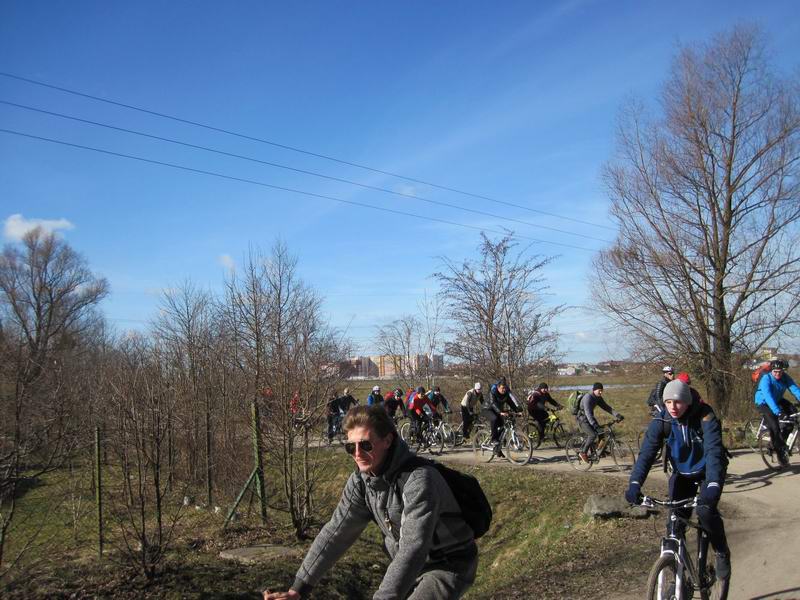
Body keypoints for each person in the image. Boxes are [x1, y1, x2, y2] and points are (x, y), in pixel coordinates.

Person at [263, 405, 477, 600]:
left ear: (387, 440)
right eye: (350, 447)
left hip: (448, 565)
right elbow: (335, 533)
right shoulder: (361, 482)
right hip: (409, 565)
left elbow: (413, 548)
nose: (357, 454)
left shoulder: (419, 479)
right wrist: (298, 589)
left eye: (365, 445)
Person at [625, 379, 731, 597]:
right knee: (674, 525)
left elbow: (714, 453)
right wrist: (635, 484)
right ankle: (678, 576)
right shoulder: (663, 419)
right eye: (669, 402)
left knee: (705, 511)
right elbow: (646, 454)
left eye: (679, 402)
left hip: (706, 473)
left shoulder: (705, 416)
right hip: (682, 475)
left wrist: (711, 487)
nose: (673, 407)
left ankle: (721, 551)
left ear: (688, 401)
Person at [754, 359, 800, 467]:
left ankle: (778, 442)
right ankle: (780, 454)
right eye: (775, 372)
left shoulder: (785, 377)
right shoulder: (766, 379)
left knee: (792, 415)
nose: (778, 374)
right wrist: (778, 412)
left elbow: (795, 389)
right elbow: (768, 397)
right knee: (774, 427)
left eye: (780, 371)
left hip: (777, 399)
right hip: (764, 402)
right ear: (771, 371)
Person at [576, 382, 623, 462]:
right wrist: (594, 424)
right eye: (599, 390)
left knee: (602, 433)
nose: (601, 392)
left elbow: (607, 407)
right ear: (594, 390)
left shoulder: (598, 397)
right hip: (582, 419)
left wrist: (617, 415)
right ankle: (583, 452)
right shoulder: (588, 397)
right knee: (592, 435)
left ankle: (599, 451)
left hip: (590, 419)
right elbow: (587, 413)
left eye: (602, 390)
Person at [481, 377, 521, 458]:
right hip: (487, 409)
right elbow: (492, 403)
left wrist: (518, 410)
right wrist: (500, 412)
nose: (504, 390)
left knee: (503, 426)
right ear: (498, 387)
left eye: (505, 388)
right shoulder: (493, 392)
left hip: (498, 410)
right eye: (502, 388)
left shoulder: (506, 393)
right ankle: (493, 439)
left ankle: (497, 449)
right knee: (494, 419)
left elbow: (511, 402)